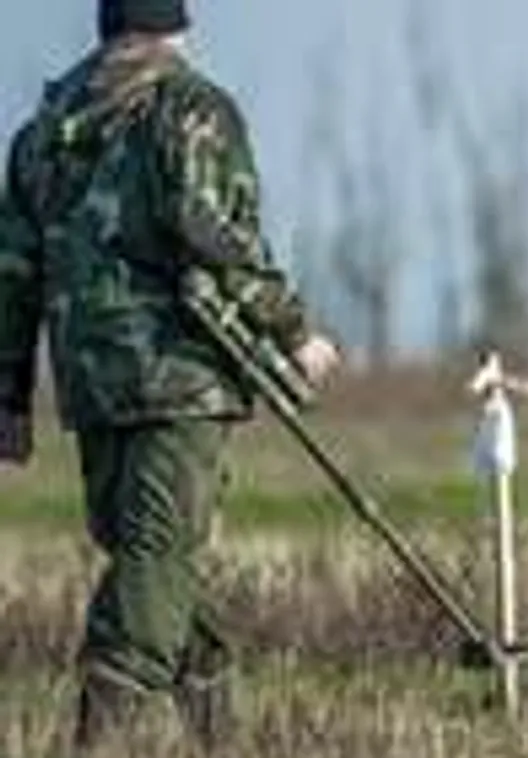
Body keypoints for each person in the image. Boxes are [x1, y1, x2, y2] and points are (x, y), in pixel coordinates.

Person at [0, 0, 341, 750]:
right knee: (156, 566)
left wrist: (10, 396)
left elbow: (14, 276)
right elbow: (215, 234)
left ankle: (219, 738)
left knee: (156, 564)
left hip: (90, 385)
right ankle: (97, 735)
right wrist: (296, 332)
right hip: (181, 377)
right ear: (177, 25)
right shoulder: (189, 108)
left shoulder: (39, 137)